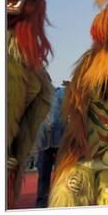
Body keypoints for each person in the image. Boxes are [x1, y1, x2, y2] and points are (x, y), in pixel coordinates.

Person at [35, 80, 68, 208]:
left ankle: (60, 201)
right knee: (43, 175)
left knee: (61, 174)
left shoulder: (61, 93)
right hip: (43, 143)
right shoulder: (37, 98)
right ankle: (41, 204)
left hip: (60, 141)